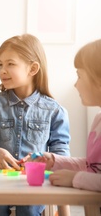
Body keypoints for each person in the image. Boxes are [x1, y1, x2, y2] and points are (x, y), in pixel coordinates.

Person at [0, 34, 71, 216]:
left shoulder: (54, 110)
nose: (2, 70)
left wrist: (43, 160)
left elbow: (62, 155)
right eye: (0, 64)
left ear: (33, 68)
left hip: (35, 184)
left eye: (10, 64)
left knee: (29, 207)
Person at [33, 39, 101, 192]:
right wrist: (55, 161)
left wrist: (75, 179)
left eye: (80, 76)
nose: (75, 84)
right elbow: (93, 167)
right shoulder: (98, 120)